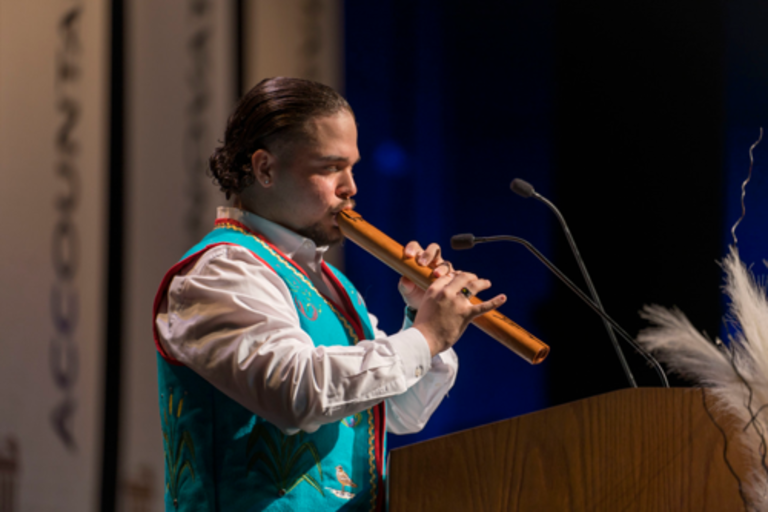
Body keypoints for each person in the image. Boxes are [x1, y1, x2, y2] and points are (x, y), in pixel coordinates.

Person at [152, 77, 506, 511]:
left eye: (352, 167)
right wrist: (428, 335)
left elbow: (398, 413)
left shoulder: (330, 285)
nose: (350, 187)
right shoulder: (220, 271)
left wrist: (421, 316)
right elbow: (297, 394)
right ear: (265, 169)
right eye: (330, 167)